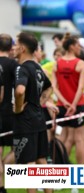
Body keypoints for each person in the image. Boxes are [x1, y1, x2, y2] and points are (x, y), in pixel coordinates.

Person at [13, 32, 52, 193]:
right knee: (42, 160)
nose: (13, 48)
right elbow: (49, 87)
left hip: (26, 121)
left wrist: (18, 108)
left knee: (29, 164)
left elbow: (20, 91)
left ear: (22, 48)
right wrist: (40, 102)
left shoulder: (21, 68)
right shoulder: (37, 66)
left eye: (15, 45)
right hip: (39, 118)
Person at [51, 33, 84, 164]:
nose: (80, 48)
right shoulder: (80, 63)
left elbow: (54, 87)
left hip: (62, 106)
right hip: (77, 106)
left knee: (61, 138)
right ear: (72, 46)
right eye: (78, 45)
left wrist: (65, 103)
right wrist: (73, 104)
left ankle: (60, 170)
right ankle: (80, 177)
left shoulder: (57, 63)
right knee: (80, 140)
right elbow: (80, 87)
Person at [0, 33, 18, 193]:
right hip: (11, 111)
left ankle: (1, 186)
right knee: (16, 149)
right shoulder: (14, 64)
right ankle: (5, 167)